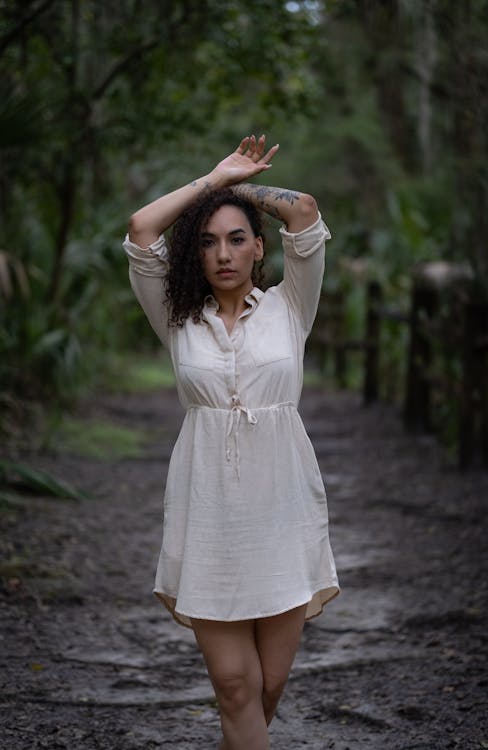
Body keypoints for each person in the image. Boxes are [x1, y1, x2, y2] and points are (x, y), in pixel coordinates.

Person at [123, 135, 339, 750]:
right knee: (236, 689)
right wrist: (211, 181)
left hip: (282, 513)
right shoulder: (176, 317)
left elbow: (303, 209)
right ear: (196, 252)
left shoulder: (290, 306)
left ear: (258, 248)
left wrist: (237, 188)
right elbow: (141, 229)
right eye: (209, 240)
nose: (223, 253)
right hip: (209, 514)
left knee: (266, 686)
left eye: (237, 238)